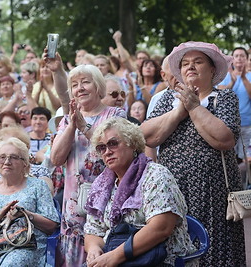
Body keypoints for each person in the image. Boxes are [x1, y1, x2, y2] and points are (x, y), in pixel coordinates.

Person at [141, 41, 245, 265]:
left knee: (217, 251)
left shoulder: (225, 98)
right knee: (176, 250)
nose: (191, 67)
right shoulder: (168, 99)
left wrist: (194, 107)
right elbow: (147, 137)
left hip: (213, 192)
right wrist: (178, 113)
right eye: (185, 63)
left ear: (212, 70)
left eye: (198, 62)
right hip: (173, 189)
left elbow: (224, 139)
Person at [84, 117, 195, 266]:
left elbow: (161, 228)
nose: (107, 152)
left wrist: (115, 256)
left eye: (113, 143)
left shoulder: (155, 175)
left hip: (161, 259)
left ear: (133, 144)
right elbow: (93, 230)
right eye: (102, 147)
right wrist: (94, 249)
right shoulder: (101, 185)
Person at [49, 62, 126, 266]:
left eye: (85, 82)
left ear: (98, 86)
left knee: (104, 249)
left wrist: (83, 126)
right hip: (74, 203)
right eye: (74, 84)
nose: (80, 88)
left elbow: (110, 148)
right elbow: (56, 159)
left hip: (107, 197)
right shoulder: (67, 120)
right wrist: (73, 125)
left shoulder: (115, 115)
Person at [0, 137, 59, 266]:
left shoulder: (38, 186)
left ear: (25, 163)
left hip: (24, 247)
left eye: (14, 157)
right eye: (2, 157)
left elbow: (51, 226)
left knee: (13, 263)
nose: (7, 162)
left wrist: (25, 214)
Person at [218, 47, 251, 161]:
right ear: (232, 60)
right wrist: (232, 82)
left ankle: (246, 179)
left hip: (247, 124)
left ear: (247, 60)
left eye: (242, 56)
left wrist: (244, 78)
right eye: (236, 56)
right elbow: (220, 94)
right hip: (229, 124)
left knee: (246, 158)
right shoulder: (226, 76)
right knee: (230, 158)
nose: (239, 59)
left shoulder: (250, 76)